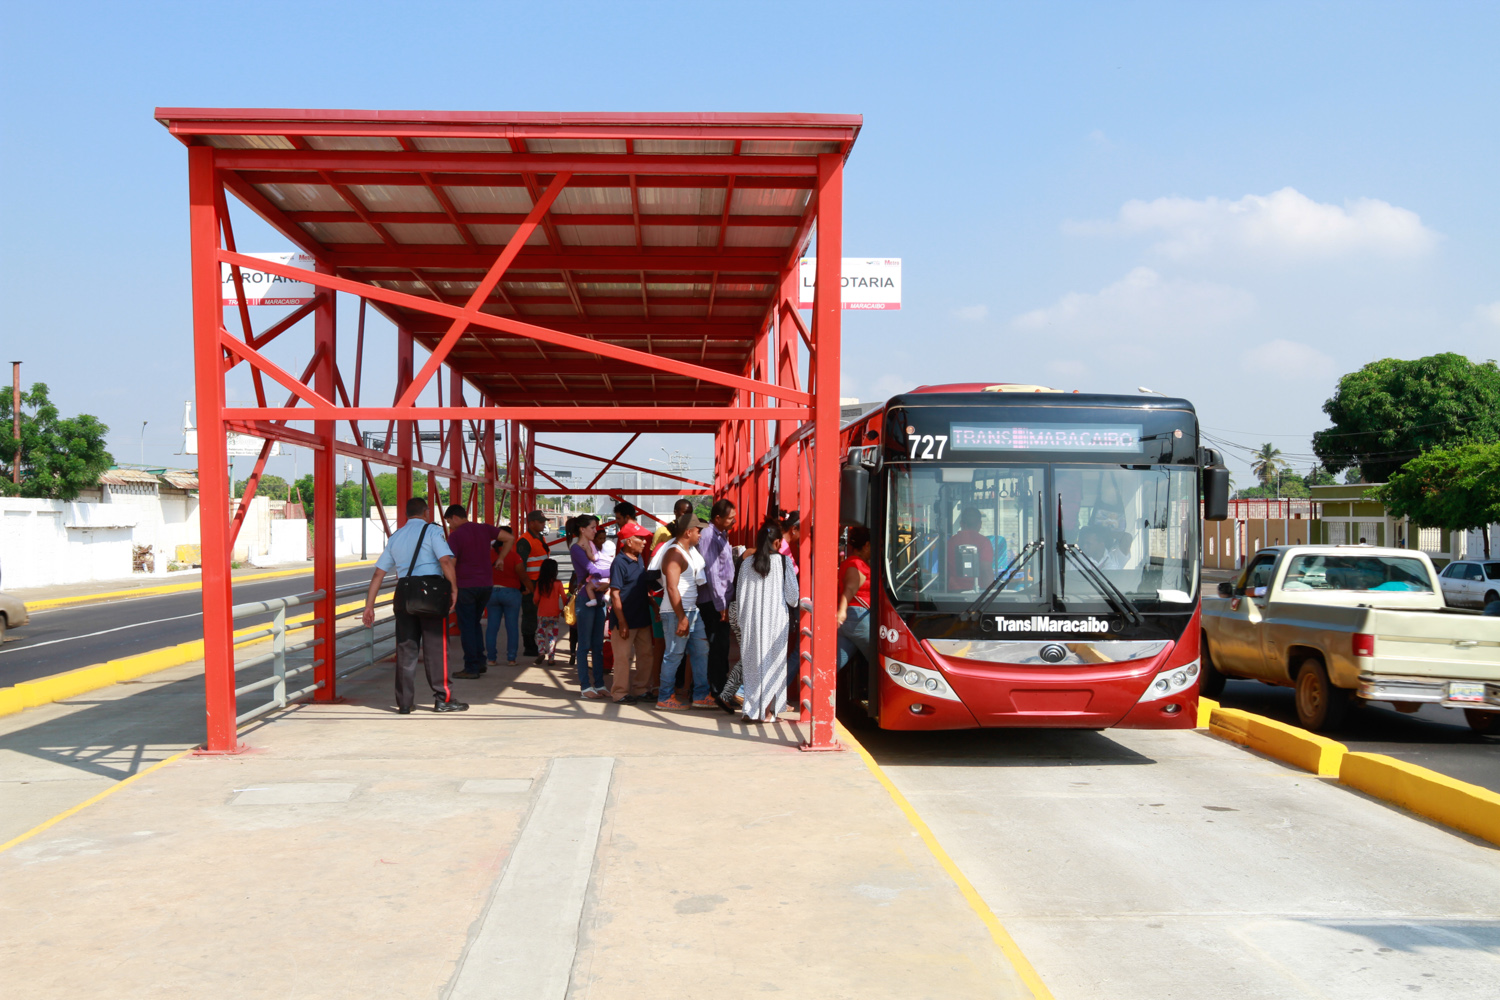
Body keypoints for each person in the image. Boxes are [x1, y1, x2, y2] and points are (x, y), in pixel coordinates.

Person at [362, 497, 467, 714]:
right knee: (436, 648)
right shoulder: (433, 531)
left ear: (406, 514)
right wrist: (454, 588)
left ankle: (404, 703)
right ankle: (443, 699)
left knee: (405, 648)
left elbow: (378, 573)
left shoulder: (395, 537)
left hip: (404, 593)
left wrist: (369, 606)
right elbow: (445, 560)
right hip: (431, 594)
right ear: (426, 512)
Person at [736, 519, 801, 723]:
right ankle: (766, 712)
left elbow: (740, 596)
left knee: (752, 664)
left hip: (751, 620)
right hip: (776, 621)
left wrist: (741, 622)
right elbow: (793, 597)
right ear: (777, 542)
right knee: (773, 664)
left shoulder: (747, 563)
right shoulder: (784, 562)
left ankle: (751, 710)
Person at [652, 518, 714, 709]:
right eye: (698, 531)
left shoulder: (686, 552)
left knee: (701, 651)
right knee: (674, 655)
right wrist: (681, 617)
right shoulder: (674, 554)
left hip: (689, 611)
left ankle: (700, 695)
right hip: (677, 612)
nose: (700, 535)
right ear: (688, 532)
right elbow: (671, 588)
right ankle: (665, 697)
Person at [444, 504, 501, 679]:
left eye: (449, 522)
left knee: (467, 627)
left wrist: (451, 586)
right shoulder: (484, 529)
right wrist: (501, 558)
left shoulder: (456, 536)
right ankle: (480, 661)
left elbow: (451, 563)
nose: (450, 526)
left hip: (466, 586)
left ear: (455, 517)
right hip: (486, 585)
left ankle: (471, 667)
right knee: (474, 623)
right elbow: (509, 538)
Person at [608, 522, 656, 703]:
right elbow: (615, 593)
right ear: (628, 541)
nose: (644, 542)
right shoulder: (619, 563)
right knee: (623, 658)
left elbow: (640, 588)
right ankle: (619, 693)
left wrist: (654, 605)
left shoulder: (639, 559)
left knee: (646, 655)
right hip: (625, 619)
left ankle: (641, 689)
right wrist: (622, 622)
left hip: (642, 617)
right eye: (640, 538)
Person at [696, 498, 737, 696]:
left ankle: (721, 687)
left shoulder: (721, 534)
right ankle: (716, 689)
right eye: (730, 518)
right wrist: (721, 605)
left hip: (720, 600)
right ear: (718, 518)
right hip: (713, 602)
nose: (734, 521)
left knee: (722, 645)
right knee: (716, 647)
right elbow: (712, 573)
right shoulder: (709, 536)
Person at [570, 515, 610, 698]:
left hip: (598, 597)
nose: (596, 531)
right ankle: (585, 686)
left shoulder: (592, 546)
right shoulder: (577, 548)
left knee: (597, 644)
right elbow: (593, 570)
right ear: (582, 529)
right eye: (593, 528)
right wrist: (617, 569)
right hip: (586, 598)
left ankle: (599, 684)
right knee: (585, 644)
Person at [836, 525, 873, 674]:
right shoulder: (857, 564)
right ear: (867, 545)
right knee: (881, 663)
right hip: (859, 618)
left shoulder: (850, 562)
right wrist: (842, 611)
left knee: (835, 663)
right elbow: (850, 588)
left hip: (849, 620)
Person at [485, 526, 523, 667]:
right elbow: (521, 573)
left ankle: (491, 659)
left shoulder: (488, 555)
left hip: (491, 592)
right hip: (511, 592)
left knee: (492, 627)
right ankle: (511, 658)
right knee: (512, 627)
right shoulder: (514, 556)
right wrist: (529, 588)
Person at [515, 511, 550, 660]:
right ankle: (529, 645)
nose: (543, 524)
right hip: (531, 582)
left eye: (544, 521)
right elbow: (520, 565)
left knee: (537, 614)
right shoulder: (524, 541)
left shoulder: (540, 537)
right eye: (540, 522)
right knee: (530, 613)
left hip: (540, 582)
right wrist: (525, 586)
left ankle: (534, 642)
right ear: (531, 523)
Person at [947, 506, 994, 591]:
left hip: (954, 592)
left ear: (961, 524)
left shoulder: (950, 542)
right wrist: (990, 594)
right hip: (976, 593)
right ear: (980, 524)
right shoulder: (984, 542)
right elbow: (986, 571)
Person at [531, 558, 565, 665]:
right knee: (552, 635)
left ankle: (541, 652)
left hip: (542, 613)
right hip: (554, 614)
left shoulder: (540, 583)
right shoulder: (558, 583)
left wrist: (537, 604)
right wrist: (564, 610)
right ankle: (551, 658)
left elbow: (536, 598)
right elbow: (564, 598)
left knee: (540, 634)